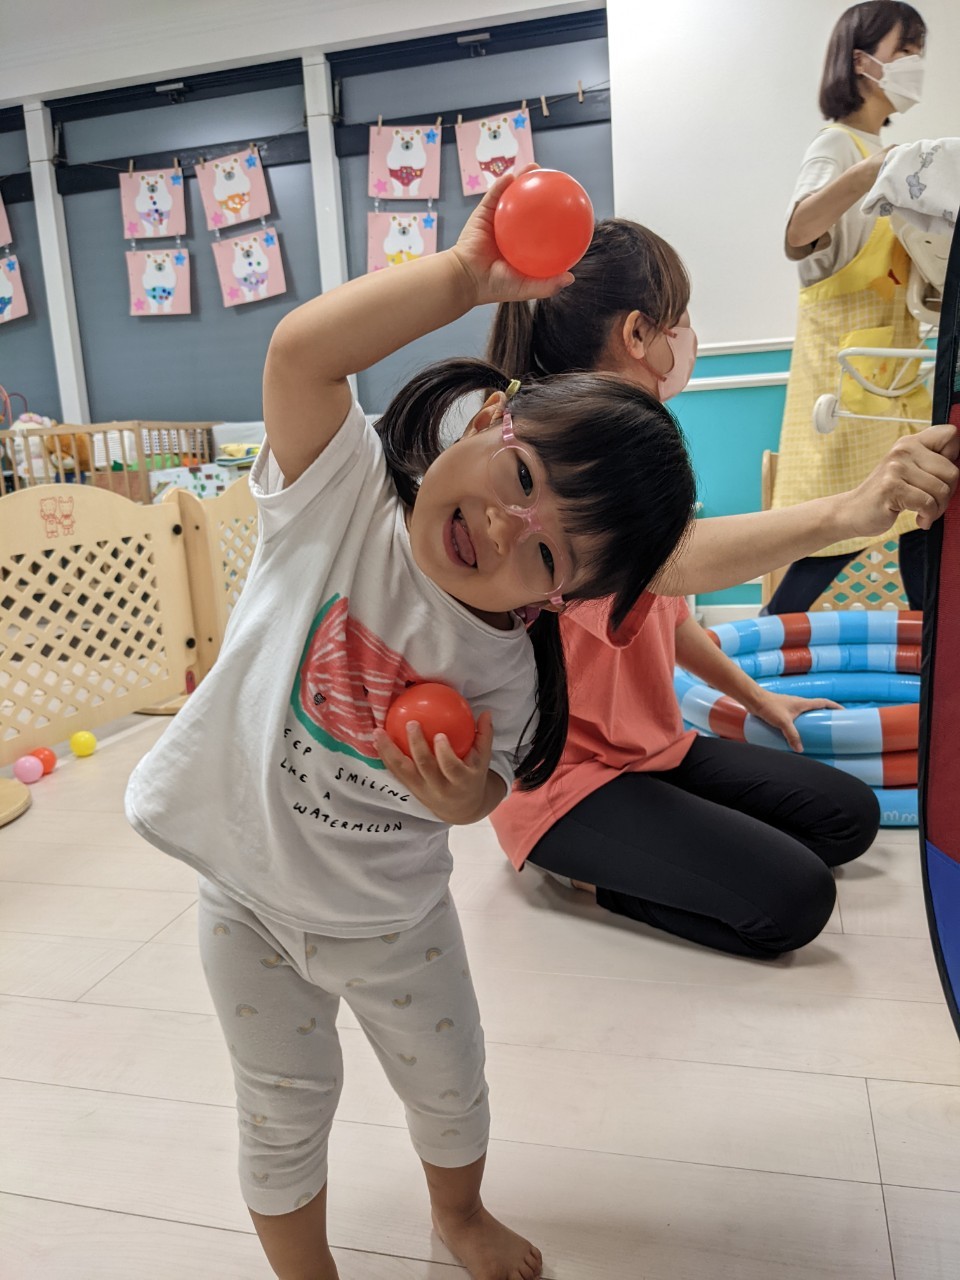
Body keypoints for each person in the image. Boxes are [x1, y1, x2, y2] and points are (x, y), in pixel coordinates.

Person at [124, 175, 697, 1280]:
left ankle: (459, 1213)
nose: (504, 524)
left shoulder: (511, 667)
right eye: (519, 474)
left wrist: (461, 795)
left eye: (546, 551)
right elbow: (301, 354)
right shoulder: (337, 496)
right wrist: (461, 278)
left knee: (450, 1085)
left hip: (392, 919)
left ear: (557, 600)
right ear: (488, 419)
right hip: (246, 895)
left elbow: (490, 788)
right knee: (280, 1106)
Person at [487, 216, 958, 959]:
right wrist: (848, 509)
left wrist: (759, 698)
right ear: (638, 334)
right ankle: (576, 869)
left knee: (847, 817)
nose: (688, 335)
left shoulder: (637, 444)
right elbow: (667, 562)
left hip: (654, 748)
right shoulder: (550, 459)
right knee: (794, 902)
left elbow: (668, 615)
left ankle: (659, 828)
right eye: (679, 316)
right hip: (569, 782)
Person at [768, 1, 930, 612]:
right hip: (849, 382)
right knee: (836, 533)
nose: (914, 62)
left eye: (918, 51)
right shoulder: (838, 146)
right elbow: (797, 231)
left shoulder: (885, 152)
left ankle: (931, 649)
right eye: (904, 49)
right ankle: (767, 636)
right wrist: (870, 173)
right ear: (863, 61)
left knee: (921, 518)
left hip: (895, 378)